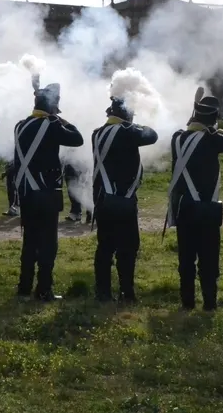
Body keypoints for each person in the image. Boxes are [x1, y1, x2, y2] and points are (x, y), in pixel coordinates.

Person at [168, 88, 223, 311]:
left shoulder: (177, 138)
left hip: (185, 208)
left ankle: (187, 302)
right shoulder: (212, 140)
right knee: (209, 261)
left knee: (186, 260)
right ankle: (210, 304)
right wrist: (212, 131)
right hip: (207, 210)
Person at [13, 76, 83, 300]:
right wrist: (60, 119)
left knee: (29, 241)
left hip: (26, 192)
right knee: (47, 244)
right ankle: (44, 290)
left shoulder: (20, 125)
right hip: (46, 194)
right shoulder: (52, 125)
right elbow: (78, 138)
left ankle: (24, 287)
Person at [91, 96, 158, 302]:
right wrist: (132, 122)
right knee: (127, 247)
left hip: (103, 198)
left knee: (105, 246)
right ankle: (126, 291)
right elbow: (152, 135)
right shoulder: (127, 132)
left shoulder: (98, 133)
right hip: (124, 199)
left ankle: (102, 292)